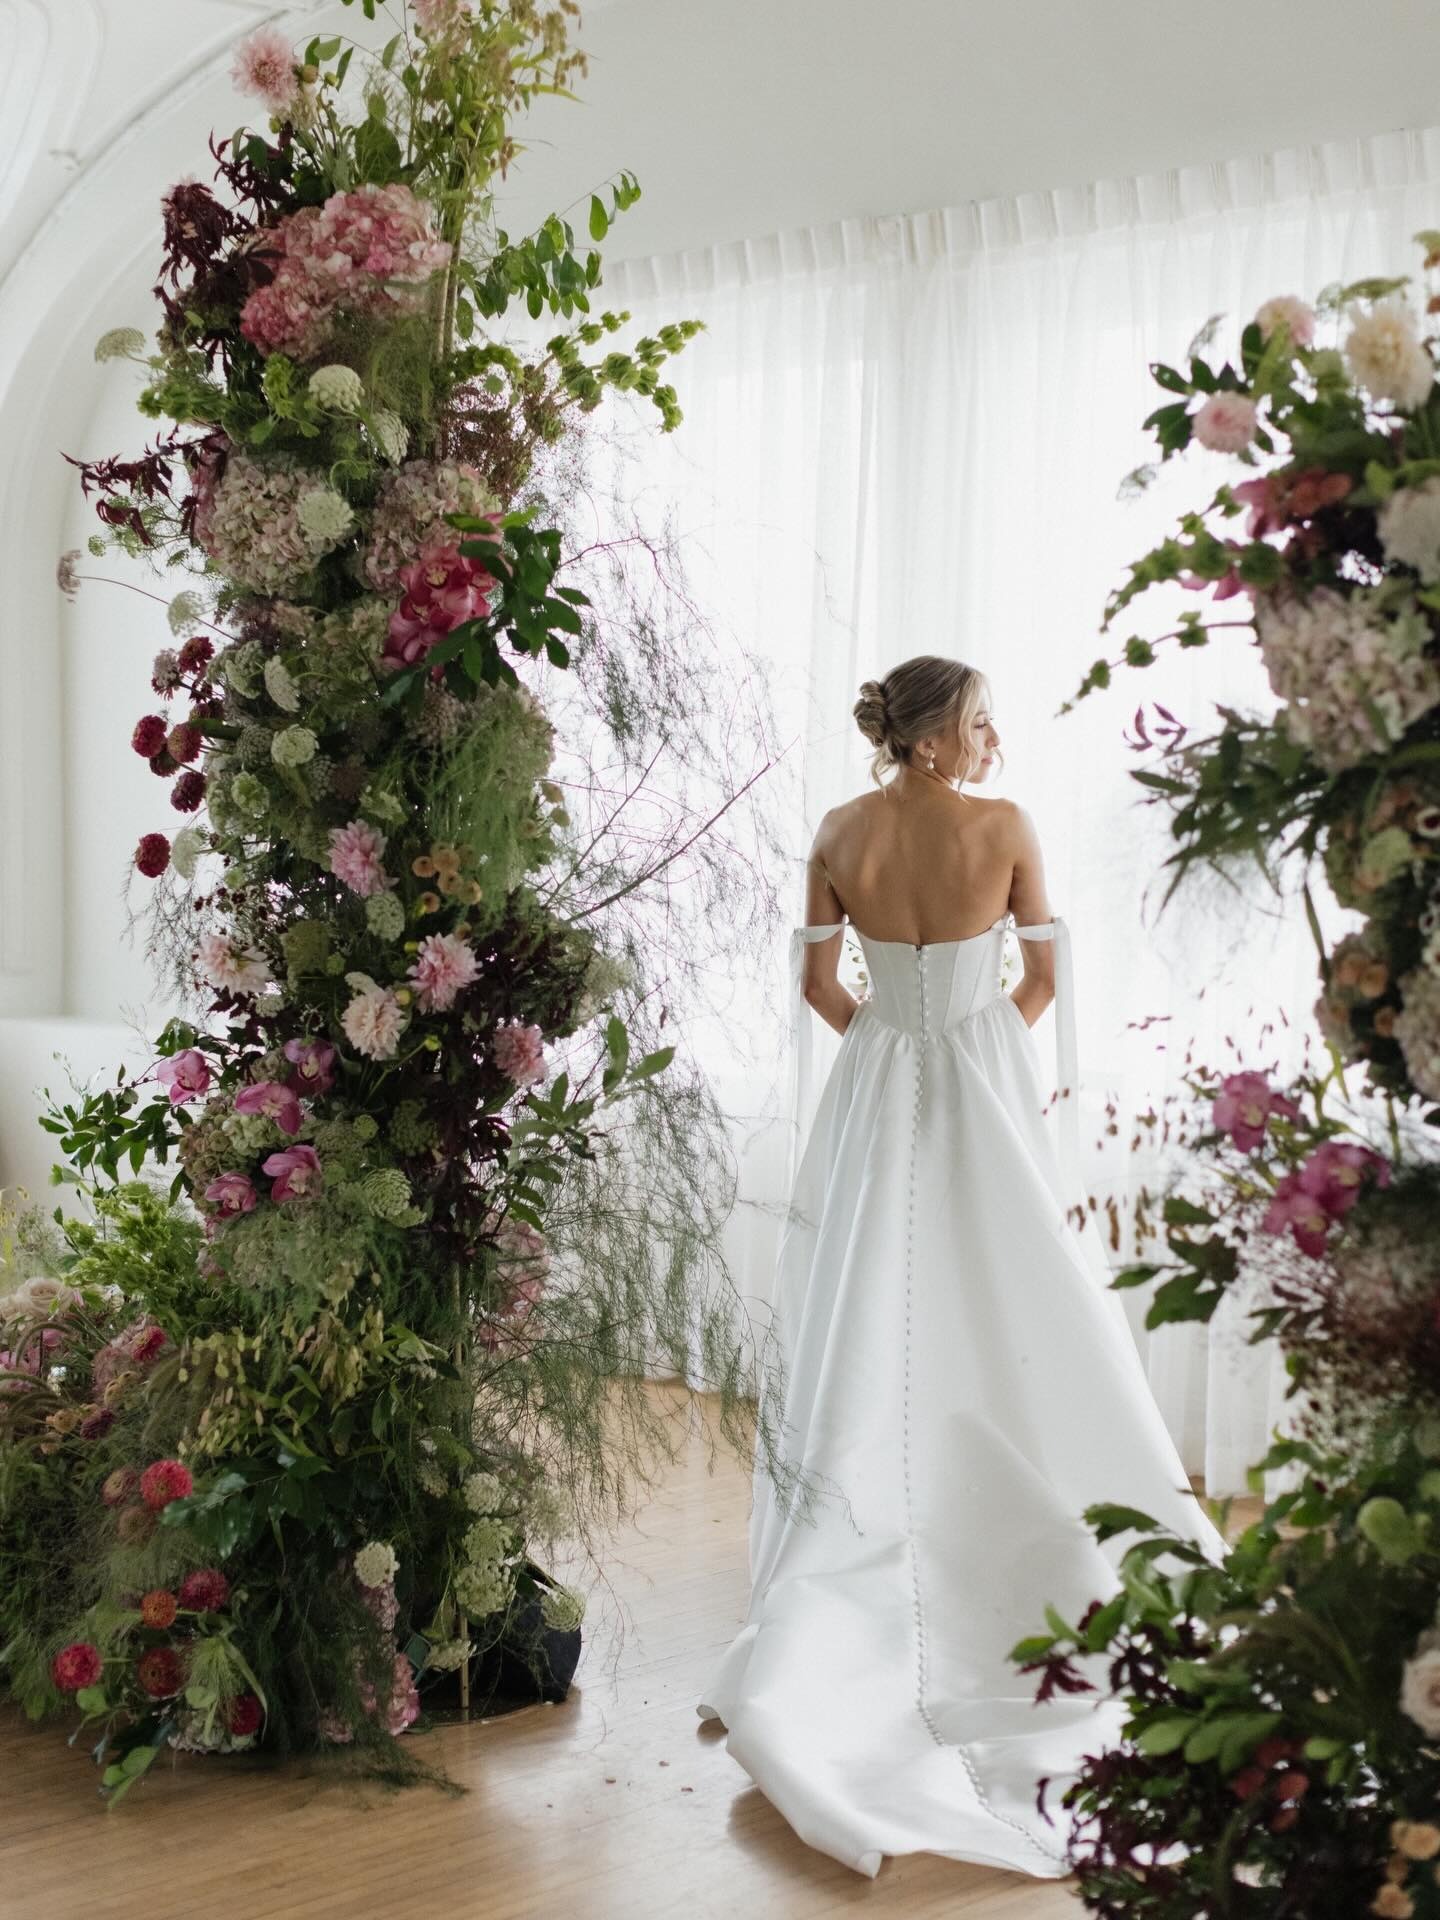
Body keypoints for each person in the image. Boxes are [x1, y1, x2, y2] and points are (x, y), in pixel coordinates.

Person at [696, 653, 1229, 1880]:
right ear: (933, 737)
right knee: (1011, 1289)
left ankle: (866, 1525)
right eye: (982, 724)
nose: (997, 743)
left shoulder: (838, 830)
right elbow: (1043, 979)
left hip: (875, 1077)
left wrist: (894, 1043)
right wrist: (974, 1046)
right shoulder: (1004, 831)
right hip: (983, 1077)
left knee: (867, 1301)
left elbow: (820, 984)